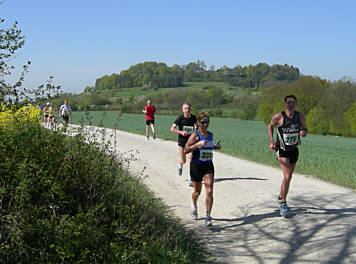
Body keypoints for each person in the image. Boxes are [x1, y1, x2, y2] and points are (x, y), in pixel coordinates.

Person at [267, 95, 308, 217]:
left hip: (294, 150)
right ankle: (283, 203)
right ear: (285, 104)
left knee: (288, 177)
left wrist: (304, 132)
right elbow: (270, 126)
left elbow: (305, 128)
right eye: (288, 102)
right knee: (288, 174)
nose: (290, 104)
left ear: (296, 104)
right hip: (282, 150)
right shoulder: (279, 117)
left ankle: (281, 196)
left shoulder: (299, 116)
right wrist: (271, 141)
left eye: (293, 102)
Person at [185, 112, 221, 227]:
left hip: (208, 166)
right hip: (196, 166)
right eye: (203, 122)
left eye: (207, 122)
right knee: (197, 192)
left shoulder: (210, 134)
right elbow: (186, 149)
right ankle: (194, 204)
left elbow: (208, 146)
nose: (205, 125)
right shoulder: (195, 136)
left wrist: (215, 147)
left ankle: (208, 216)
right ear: (198, 123)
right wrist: (198, 144)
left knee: (209, 191)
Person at [170, 103, 197, 186]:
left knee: (191, 160)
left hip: (191, 142)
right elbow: (172, 129)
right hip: (182, 141)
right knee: (183, 161)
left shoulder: (194, 118)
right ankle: (180, 165)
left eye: (188, 108)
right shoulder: (180, 118)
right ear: (183, 110)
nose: (187, 110)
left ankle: (190, 179)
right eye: (185, 108)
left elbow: (197, 128)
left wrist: (195, 132)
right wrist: (181, 132)